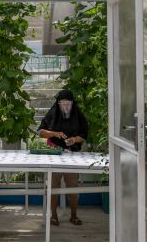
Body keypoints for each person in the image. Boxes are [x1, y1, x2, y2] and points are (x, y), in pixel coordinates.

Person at [37, 89, 88, 226]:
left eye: (68, 104)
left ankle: (74, 215)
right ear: (58, 104)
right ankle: (53, 216)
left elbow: (83, 134)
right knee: (53, 186)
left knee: (73, 186)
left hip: (72, 155)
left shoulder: (78, 115)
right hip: (54, 154)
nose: (65, 107)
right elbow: (40, 132)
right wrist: (54, 134)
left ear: (73, 104)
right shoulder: (53, 113)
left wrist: (74, 140)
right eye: (62, 104)